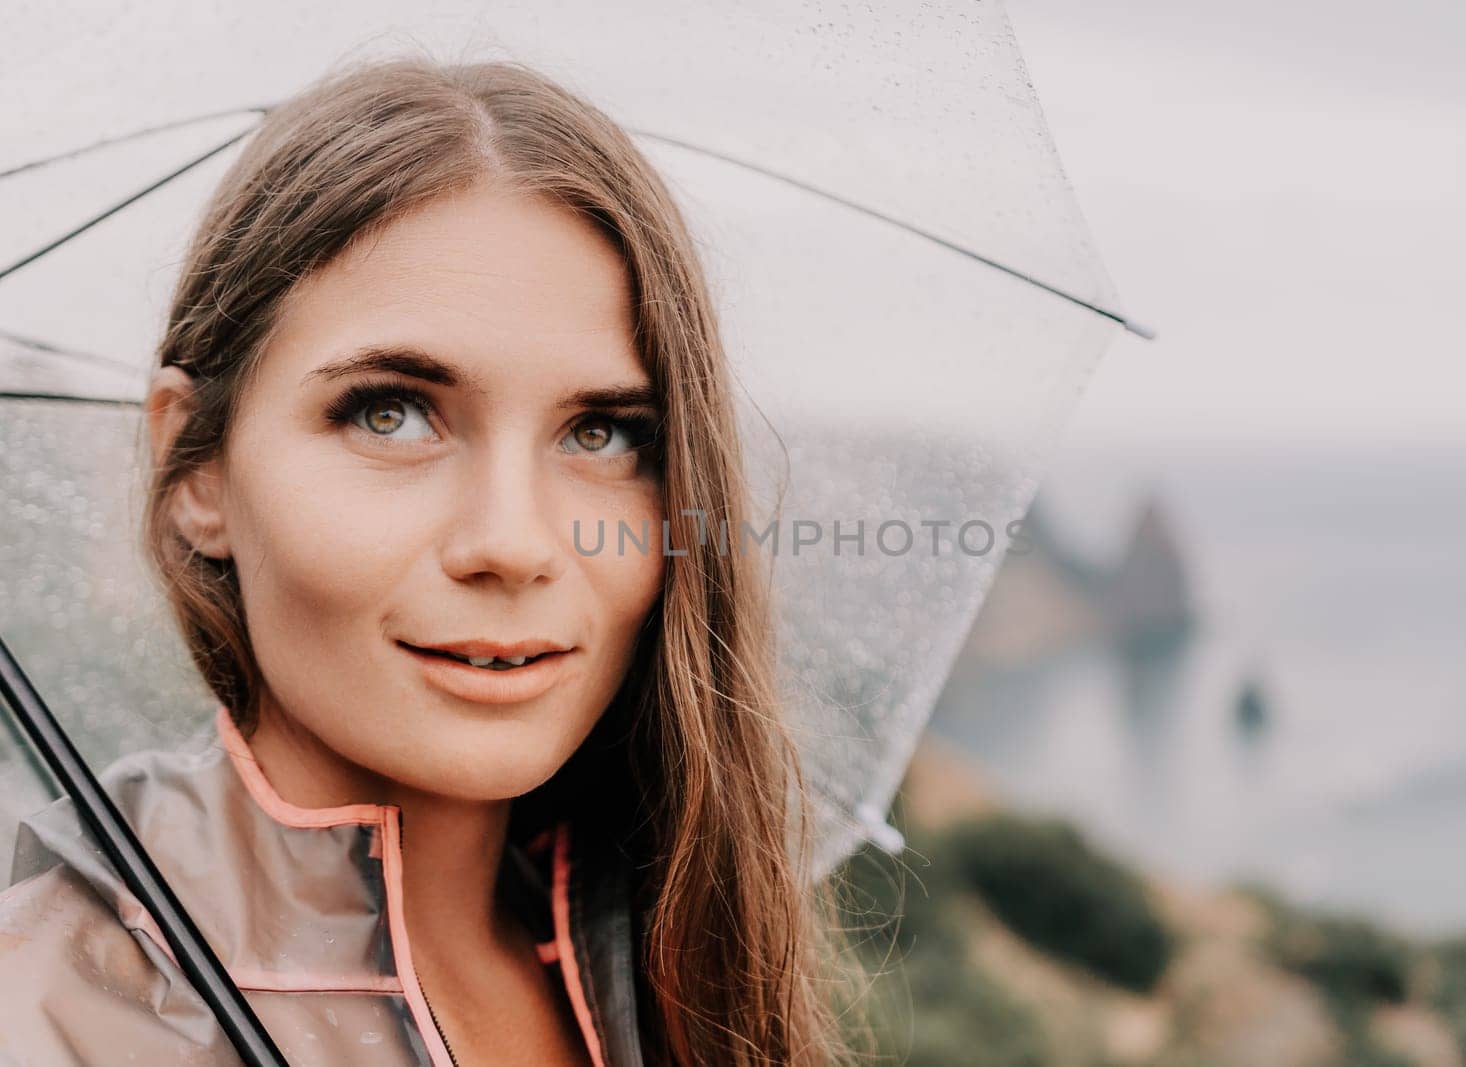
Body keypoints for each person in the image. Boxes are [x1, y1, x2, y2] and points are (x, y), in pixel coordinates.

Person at [0, 56, 864, 1066]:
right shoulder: (57, 1011)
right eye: (390, 412)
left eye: (603, 432)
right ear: (197, 469)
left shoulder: (668, 968)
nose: (512, 541)